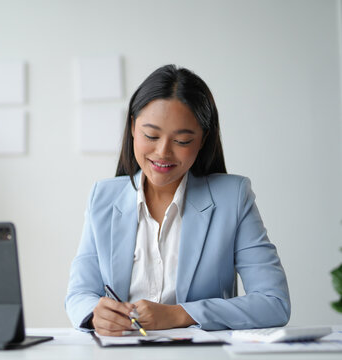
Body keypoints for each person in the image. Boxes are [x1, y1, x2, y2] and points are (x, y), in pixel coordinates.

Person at [65, 65, 290, 336]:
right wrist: (95, 315)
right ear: (133, 127)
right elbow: (79, 294)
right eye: (151, 136)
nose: (163, 152)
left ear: (203, 140)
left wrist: (179, 314)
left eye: (182, 140)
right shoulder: (102, 196)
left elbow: (273, 303)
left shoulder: (233, 197)